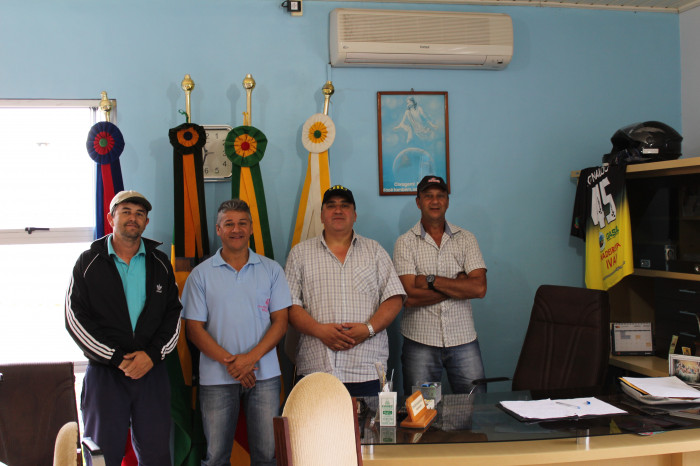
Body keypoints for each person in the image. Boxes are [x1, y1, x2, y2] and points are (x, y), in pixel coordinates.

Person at [65, 190, 181, 466]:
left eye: (140, 214)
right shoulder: (88, 262)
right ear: (111, 218)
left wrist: (151, 356)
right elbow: (74, 318)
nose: (133, 218)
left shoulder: (160, 263)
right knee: (102, 455)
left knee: (157, 455)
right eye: (126, 212)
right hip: (105, 373)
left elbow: (174, 316)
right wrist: (116, 358)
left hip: (151, 372)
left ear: (146, 223)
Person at [181, 199, 290, 466]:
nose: (236, 229)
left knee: (267, 456)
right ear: (218, 229)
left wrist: (249, 360)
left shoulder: (272, 270)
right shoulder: (200, 275)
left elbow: (281, 322)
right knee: (216, 457)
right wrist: (234, 364)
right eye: (228, 224)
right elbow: (194, 330)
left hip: (264, 376)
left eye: (242, 223)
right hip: (216, 377)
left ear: (251, 228)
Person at [285, 185, 405, 397]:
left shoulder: (374, 251)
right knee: (317, 421)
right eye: (331, 206)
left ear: (354, 215)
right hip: (317, 368)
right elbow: (290, 305)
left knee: (370, 421)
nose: (338, 210)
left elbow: (394, 298)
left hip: (366, 369)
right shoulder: (300, 254)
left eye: (345, 206)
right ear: (322, 215)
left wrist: (368, 329)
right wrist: (319, 330)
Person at [393, 175, 487, 395]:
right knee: (423, 410)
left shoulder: (466, 239)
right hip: (420, 342)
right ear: (418, 202)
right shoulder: (405, 242)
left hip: (463, 339)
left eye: (440, 196)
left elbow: (479, 289)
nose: (435, 201)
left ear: (447, 201)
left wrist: (430, 280)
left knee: (475, 406)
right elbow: (409, 298)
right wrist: (458, 286)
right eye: (428, 196)